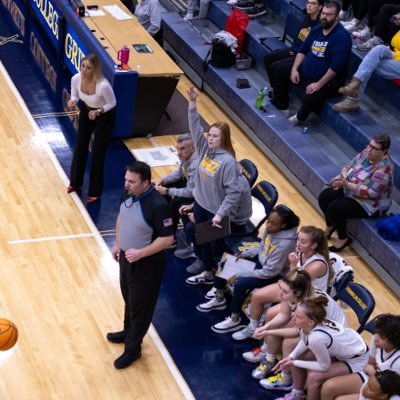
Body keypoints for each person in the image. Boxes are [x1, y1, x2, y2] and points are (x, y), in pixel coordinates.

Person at [107, 161, 175, 369]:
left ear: (146, 183)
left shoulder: (159, 206)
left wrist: (141, 253)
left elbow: (167, 239)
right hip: (127, 259)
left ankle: (133, 348)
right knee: (129, 299)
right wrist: (118, 243)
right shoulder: (129, 194)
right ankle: (128, 332)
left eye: (132, 181)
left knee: (141, 307)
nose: (126, 184)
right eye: (126, 179)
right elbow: (122, 217)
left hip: (147, 265)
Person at [185, 86, 252, 286]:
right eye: (210, 134)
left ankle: (219, 286)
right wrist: (192, 103)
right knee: (202, 240)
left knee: (216, 248)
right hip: (201, 204)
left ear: (223, 139)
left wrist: (220, 214)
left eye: (215, 136)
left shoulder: (228, 162)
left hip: (217, 213)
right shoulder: (205, 149)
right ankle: (207, 274)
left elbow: (234, 192)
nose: (210, 138)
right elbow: (195, 127)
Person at [196, 205, 299, 333]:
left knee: (241, 283)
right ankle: (219, 297)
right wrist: (245, 253)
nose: (268, 225)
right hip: (263, 264)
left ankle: (234, 319)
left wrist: (240, 274)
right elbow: (262, 246)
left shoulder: (285, 244)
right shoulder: (271, 229)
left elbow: (270, 272)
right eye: (268, 221)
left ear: (283, 226)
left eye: (273, 223)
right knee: (227, 262)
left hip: (273, 275)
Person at [232, 225, 334, 341]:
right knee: (257, 296)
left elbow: (297, 282)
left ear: (314, 245)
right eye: (298, 239)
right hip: (294, 289)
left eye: (303, 242)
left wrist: (293, 265)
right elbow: (291, 280)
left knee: (271, 313)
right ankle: (252, 329)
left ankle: (266, 344)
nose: (298, 244)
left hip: (307, 298)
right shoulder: (300, 252)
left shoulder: (317, 264)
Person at [248, 270, 346, 386]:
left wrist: (268, 331)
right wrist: (265, 327)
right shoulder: (296, 293)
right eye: (280, 288)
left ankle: (285, 379)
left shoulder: (309, 305)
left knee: (289, 343)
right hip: (312, 325)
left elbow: (296, 331)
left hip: (331, 334)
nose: (280, 294)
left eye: (284, 291)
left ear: (297, 293)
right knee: (276, 324)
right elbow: (283, 315)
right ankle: (269, 360)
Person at [267, 296, 369, 400]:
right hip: (348, 349)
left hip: (358, 360)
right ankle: (297, 394)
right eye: (295, 314)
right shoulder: (310, 324)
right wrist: (292, 357)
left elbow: (324, 366)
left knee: (314, 377)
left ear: (310, 322)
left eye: (298, 316)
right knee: (298, 356)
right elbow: (305, 339)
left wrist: (294, 362)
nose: (294, 318)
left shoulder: (317, 338)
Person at [318, 134, 394, 252]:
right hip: (351, 190)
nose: (369, 149)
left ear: (384, 151)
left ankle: (343, 238)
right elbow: (348, 167)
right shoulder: (365, 153)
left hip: (371, 204)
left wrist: (347, 184)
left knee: (335, 207)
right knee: (325, 196)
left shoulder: (385, 169)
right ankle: (330, 226)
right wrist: (341, 177)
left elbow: (373, 193)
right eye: (369, 145)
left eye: (374, 148)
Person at [284, 1, 352, 124]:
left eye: (329, 14)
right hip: (307, 71)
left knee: (311, 96)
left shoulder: (342, 37)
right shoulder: (317, 29)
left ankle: (299, 118)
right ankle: (282, 105)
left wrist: (319, 84)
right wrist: (294, 69)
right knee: (279, 68)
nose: (324, 17)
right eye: (323, 13)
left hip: (327, 80)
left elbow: (336, 67)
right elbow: (303, 50)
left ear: (337, 17)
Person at [67, 54, 117, 204]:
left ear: (95, 70)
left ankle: (95, 192)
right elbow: (75, 94)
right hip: (87, 111)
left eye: (88, 68)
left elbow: (112, 103)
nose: (84, 70)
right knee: (80, 146)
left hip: (104, 115)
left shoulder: (103, 85)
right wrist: (73, 100)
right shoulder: (76, 78)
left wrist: (99, 112)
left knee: (98, 152)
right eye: (83, 66)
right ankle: (75, 182)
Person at [321, 313, 400, 400]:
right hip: (371, 378)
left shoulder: (398, 362)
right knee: (328, 387)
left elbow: (391, 389)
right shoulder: (376, 341)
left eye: (382, 337)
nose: (376, 338)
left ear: (393, 341)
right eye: (377, 332)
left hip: (384, 392)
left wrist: (372, 373)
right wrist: (372, 373)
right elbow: (370, 364)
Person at [264, 0, 324, 113]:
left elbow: (311, 48)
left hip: (304, 56)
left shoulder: (319, 25)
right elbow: (298, 37)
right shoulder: (308, 17)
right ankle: (277, 91)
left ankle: (283, 106)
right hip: (296, 50)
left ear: (320, 7)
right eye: (308, 3)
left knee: (277, 68)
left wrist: (297, 52)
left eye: (313, 3)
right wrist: (294, 49)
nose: (309, 5)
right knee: (268, 58)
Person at [332, 17, 400, 112]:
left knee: (370, 62)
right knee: (379, 48)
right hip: (396, 56)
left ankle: (353, 98)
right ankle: (355, 84)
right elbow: (395, 42)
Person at [154, 133, 198, 228]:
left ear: (193, 148)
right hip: (189, 184)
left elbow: (190, 192)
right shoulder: (186, 156)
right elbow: (179, 173)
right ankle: (162, 219)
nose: (178, 152)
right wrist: (163, 180)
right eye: (177, 148)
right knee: (163, 187)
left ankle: (170, 234)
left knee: (174, 203)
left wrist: (167, 191)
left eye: (182, 149)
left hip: (197, 194)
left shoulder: (195, 165)